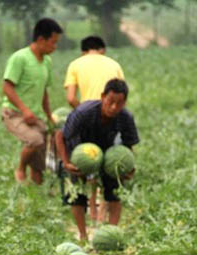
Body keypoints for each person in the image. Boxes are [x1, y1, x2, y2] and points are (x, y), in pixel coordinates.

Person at [55, 79, 139, 241]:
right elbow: (60, 135)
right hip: (81, 149)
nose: (114, 107)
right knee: (78, 192)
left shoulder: (125, 117)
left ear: (125, 102)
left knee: (114, 190)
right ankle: (83, 235)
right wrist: (66, 162)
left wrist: (128, 167)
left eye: (119, 103)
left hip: (108, 150)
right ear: (102, 97)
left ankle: (112, 235)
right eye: (110, 102)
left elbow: (128, 146)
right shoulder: (83, 112)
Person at [64, 36, 125, 221]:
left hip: (86, 120)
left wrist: (81, 111)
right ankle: (102, 210)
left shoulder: (75, 64)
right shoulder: (113, 64)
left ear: (83, 51)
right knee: (109, 165)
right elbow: (120, 92)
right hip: (109, 119)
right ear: (102, 49)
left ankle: (91, 207)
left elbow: (70, 98)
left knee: (87, 163)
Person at [2, 18, 63, 185]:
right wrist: (24, 110)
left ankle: (36, 194)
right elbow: (7, 87)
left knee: (39, 162)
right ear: (41, 39)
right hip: (13, 113)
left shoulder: (47, 62)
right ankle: (20, 168)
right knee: (35, 140)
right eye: (53, 42)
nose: (55, 47)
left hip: (36, 116)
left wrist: (49, 116)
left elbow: (44, 92)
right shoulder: (19, 58)